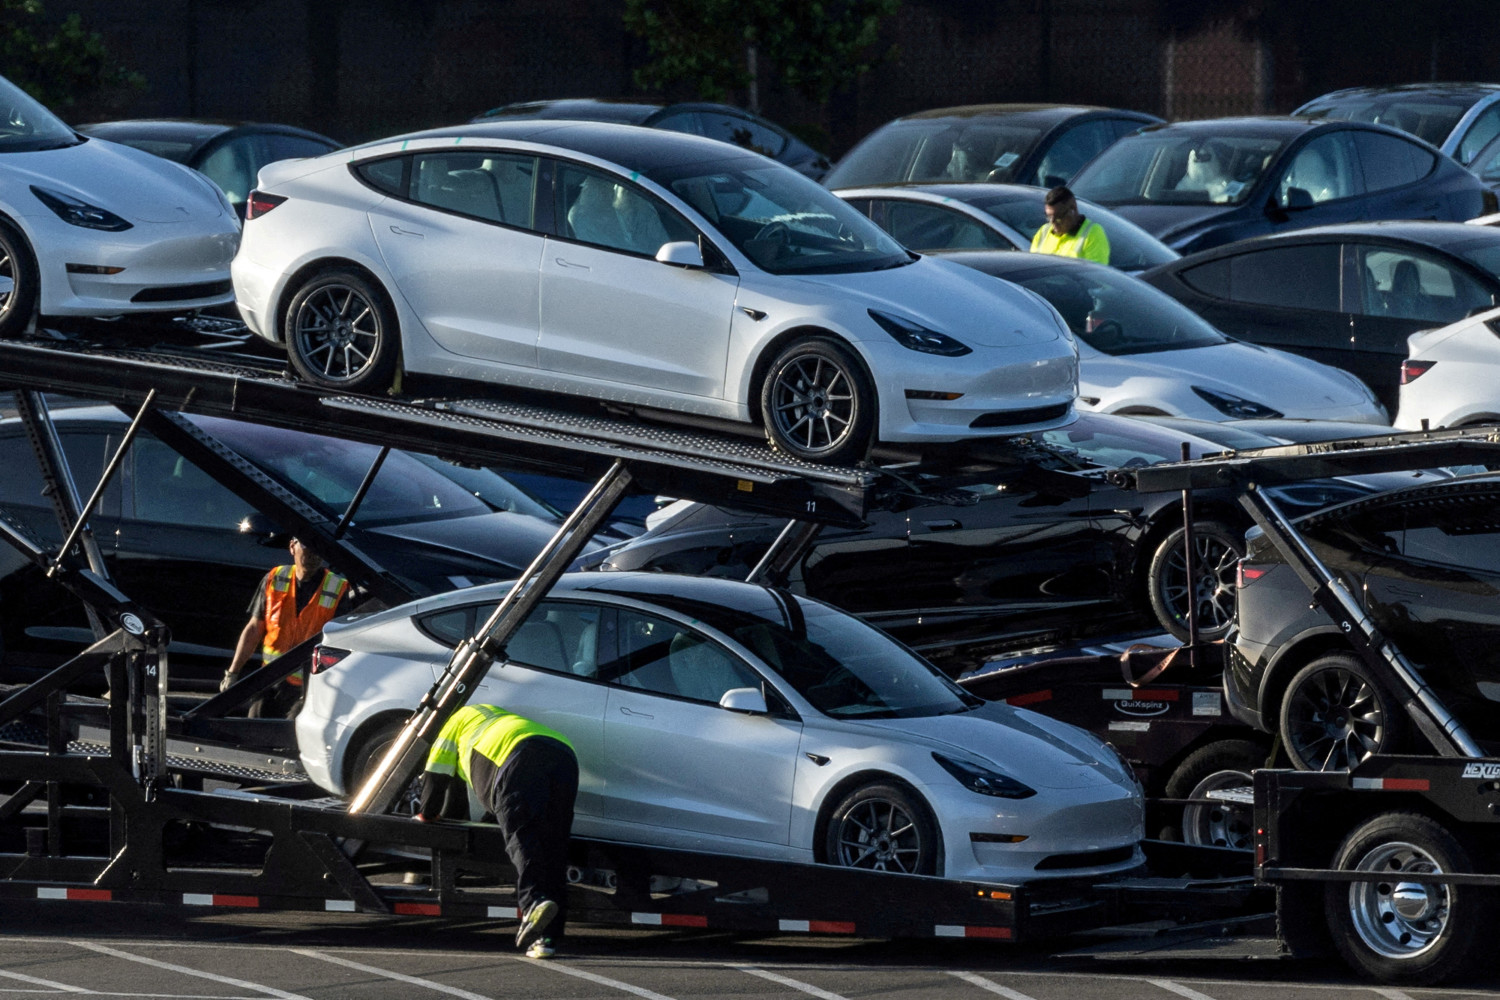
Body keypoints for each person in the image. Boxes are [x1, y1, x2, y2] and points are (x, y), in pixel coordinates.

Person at [416, 704, 579, 960]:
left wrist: (426, 813)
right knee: (554, 846)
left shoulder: (453, 724)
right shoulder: (490, 714)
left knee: (522, 837)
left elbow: (436, 774)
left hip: (518, 756)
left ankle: (533, 902)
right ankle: (546, 940)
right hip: (563, 754)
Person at [220, 536, 350, 717]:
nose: (314, 553)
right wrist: (233, 672)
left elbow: (340, 643)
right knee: (253, 730)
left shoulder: (338, 587)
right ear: (292, 547)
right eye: (307, 545)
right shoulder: (275, 578)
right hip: (270, 680)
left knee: (290, 736)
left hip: (307, 687)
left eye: (319, 548)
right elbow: (254, 629)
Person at [1030, 186, 1110, 265]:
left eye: (1058, 217)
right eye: (1049, 216)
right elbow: (1033, 266)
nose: (1052, 222)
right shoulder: (1043, 232)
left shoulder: (1093, 233)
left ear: (1073, 209)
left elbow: (1095, 274)